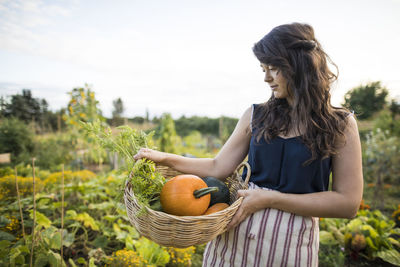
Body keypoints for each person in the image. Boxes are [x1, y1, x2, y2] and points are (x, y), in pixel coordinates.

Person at [134, 22, 363, 267]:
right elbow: (217, 166)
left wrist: (270, 199)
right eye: (263, 69)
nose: (266, 78)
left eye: (273, 68)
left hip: (290, 248)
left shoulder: (340, 124)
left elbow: (347, 203)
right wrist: (165, 158)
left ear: (298, 65)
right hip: (234, 240)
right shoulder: (256, 115)